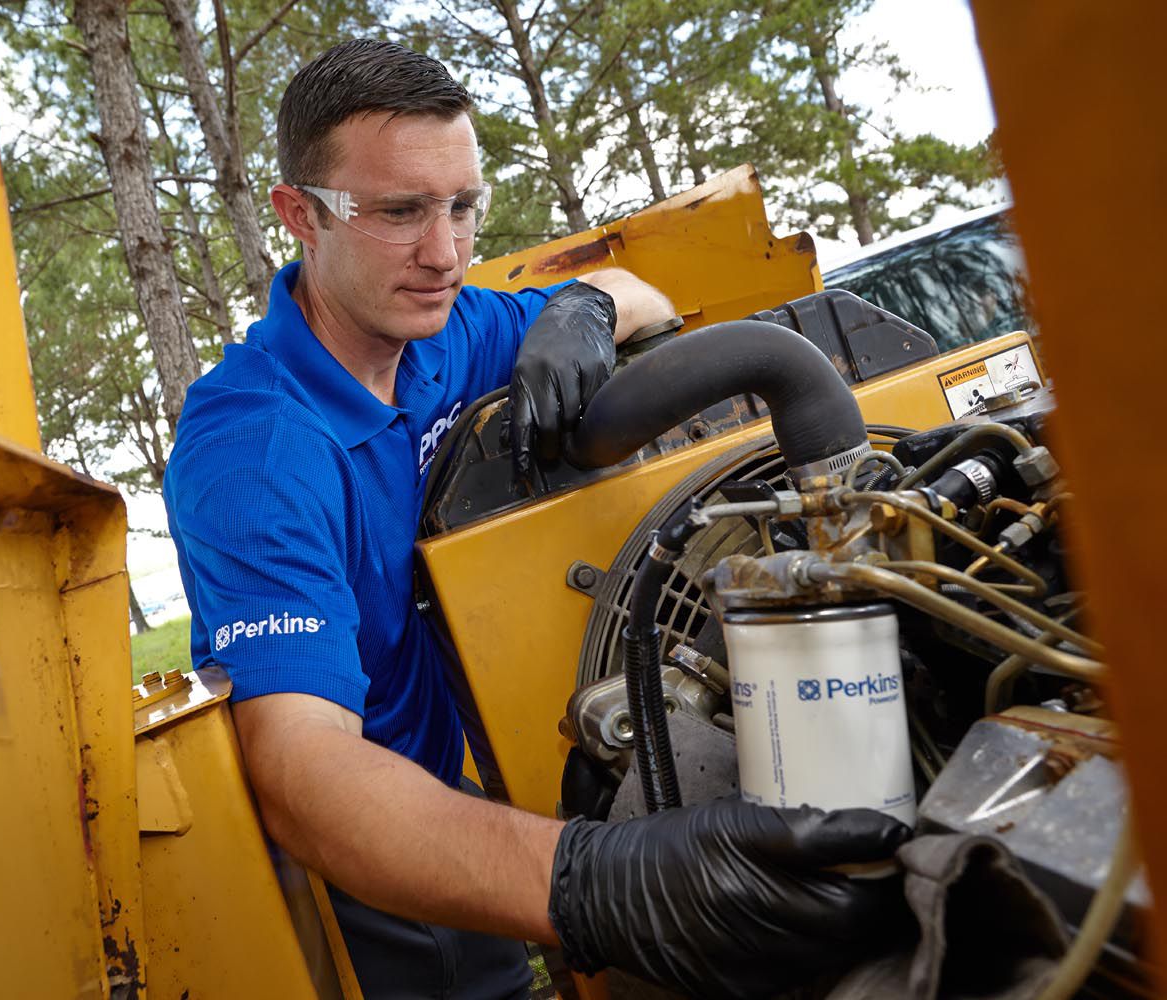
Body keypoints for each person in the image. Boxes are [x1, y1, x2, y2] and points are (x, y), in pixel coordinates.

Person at [165, 38, 909, 999]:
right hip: (379, 850)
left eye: (463, 207)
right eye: (400, 212)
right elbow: (304, 773)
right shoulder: (255, 452)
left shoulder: (443, 326)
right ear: (300, 215)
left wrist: (584, 312)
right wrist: (599, 882)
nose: (444, 253)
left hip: (477, 770)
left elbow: (644, 295)